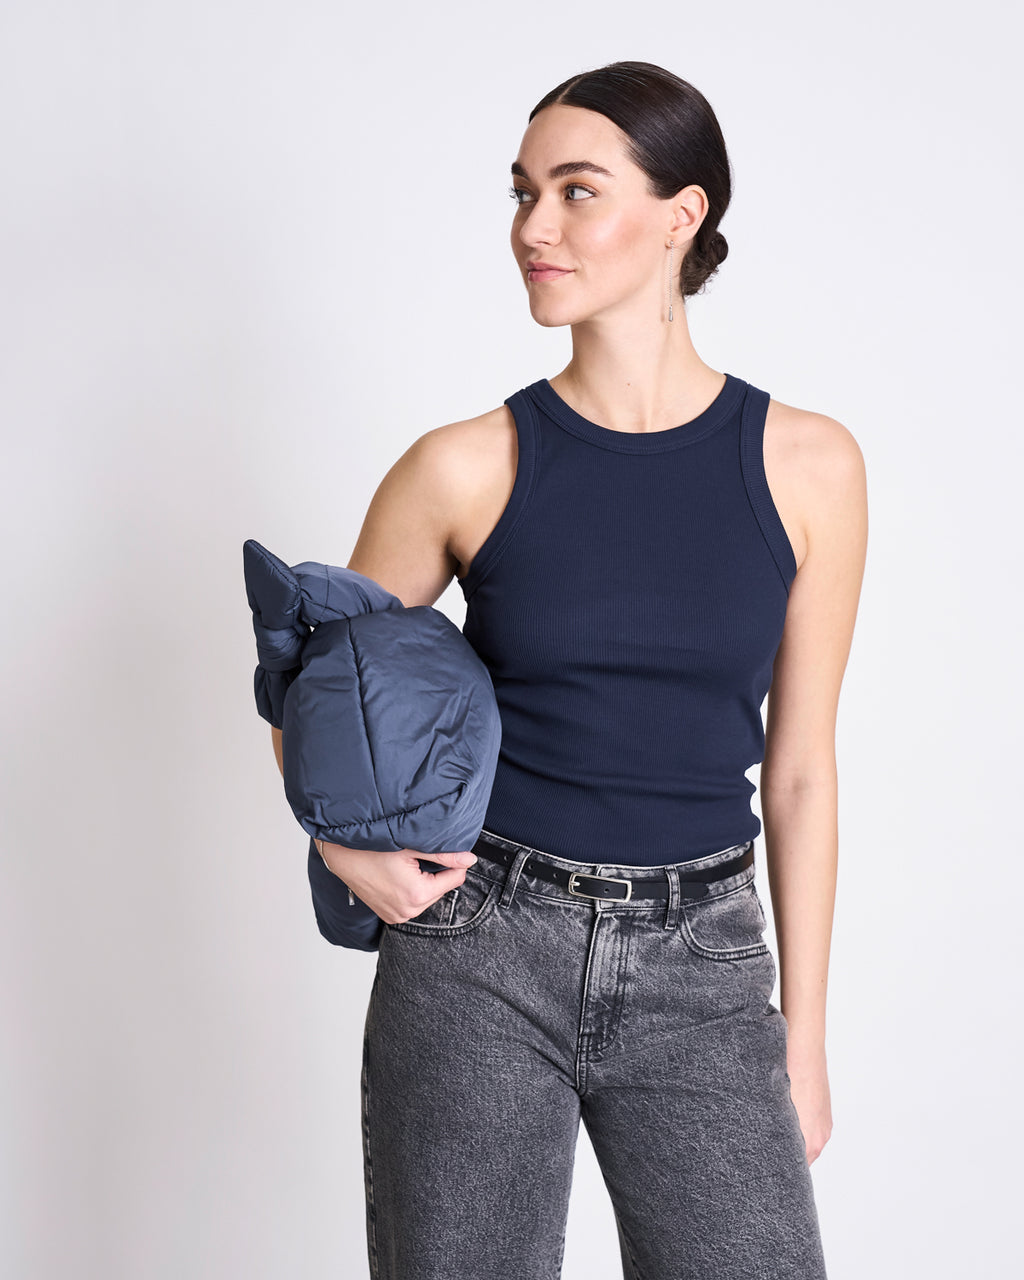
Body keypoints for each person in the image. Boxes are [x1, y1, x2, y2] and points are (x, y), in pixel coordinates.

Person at [270, 60, 867, 1280]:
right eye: (522, 191)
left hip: (705, 958)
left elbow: (801, 772)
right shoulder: (463, 464)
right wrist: (342, 842)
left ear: (680, 215)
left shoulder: (810, 466)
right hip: (479, 944)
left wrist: (802, 1035)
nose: (533, 228)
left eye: (576, 191)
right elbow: (319, 691)